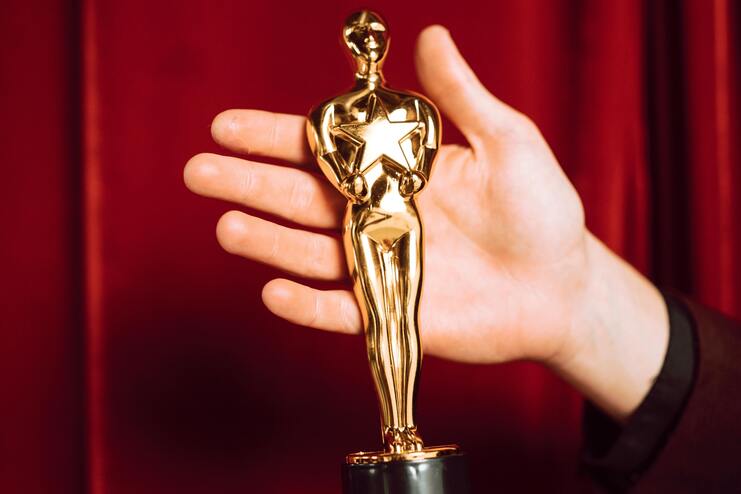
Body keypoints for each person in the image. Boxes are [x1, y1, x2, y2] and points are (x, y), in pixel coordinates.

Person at [184, 25, 741, 492]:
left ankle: (405, 426)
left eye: (375, 34)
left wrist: (579, 294)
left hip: (403, 215)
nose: (370, 42)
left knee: (406, 319)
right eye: (360, 36)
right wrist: (366, 183)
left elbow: (420, 162)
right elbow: (338, 167)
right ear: (349, 47)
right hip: (369, 217)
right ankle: (395, 427)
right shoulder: (332, 113)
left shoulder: (414, 109)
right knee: (381, 322)